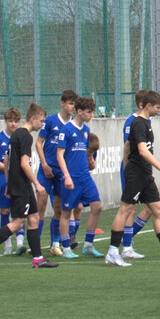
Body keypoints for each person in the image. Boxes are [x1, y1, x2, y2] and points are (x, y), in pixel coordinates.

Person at [104, 90, 160, 266]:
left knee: (157, 210)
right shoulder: (139, 124)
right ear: (148, 106)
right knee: (125, 210)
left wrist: (129, 163)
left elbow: (128, 146)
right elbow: (142, 150)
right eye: (157, 107)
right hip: (137, 173)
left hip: (144, 174)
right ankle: (113, 252)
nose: (159, 110)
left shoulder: (146, 123)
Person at [0, 103, 59, 269]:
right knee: (18, 223)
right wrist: (37, 183)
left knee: (34, 218)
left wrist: (8, 182)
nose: (42, 124)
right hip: (22, 186)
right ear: (32, 119)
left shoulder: (16, 135)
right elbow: (24, 163)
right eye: (41, 121)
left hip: (21, 185)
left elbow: (6, 160)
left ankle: (38, 258)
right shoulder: (26, 137)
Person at [59, 97, 103, 258]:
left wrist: (90, 164)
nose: (92, 115)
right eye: (89, 112)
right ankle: (66, 248)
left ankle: (88, 245)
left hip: (85, 177)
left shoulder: (85, 131)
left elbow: (83, 154)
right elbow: (60, 155)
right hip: (71, 177)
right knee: (66, 211)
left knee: (97, 206)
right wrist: (67, 176)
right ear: (79, 111)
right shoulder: (66, 130)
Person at [36, 90, 78, 256]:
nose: (72, 107)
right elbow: (39, 143)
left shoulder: (73, 125)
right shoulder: (50, 121)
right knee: (40, 205)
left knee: (59, 208)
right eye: (70, 104)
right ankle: (36, 242)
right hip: (46, 170)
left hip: (62, 173)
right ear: (62, 103)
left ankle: (55, 244)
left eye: (74, 104)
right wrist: (44, 164)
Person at [118, 90, 154, 259]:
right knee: (129, 209)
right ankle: (125, 247)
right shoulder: (132, 122)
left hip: (144, 169)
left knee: (152, 208)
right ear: (143, 105)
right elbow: (127, 147)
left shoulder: (147, 121)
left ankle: (127, 239)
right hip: (133, 169)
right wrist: (126, 170)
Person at [0, 108, 24, 255]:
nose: (13, 124)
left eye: (16, 121)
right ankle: (7, 244)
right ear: (6, 121)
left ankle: (20, 244)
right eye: (10, 121)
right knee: (4, 210)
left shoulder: (22, 137)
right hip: (3, 178)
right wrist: (8, 167)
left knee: (19, 210)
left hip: (18, 179)